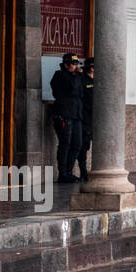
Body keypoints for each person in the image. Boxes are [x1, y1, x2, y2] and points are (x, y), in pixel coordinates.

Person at [49, 53, 84, 183]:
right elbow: (72, 89)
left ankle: (69, 172)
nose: (76, 66)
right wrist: (78, 75)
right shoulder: (60, 75)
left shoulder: (77, 77)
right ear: (66, 65)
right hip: (64, 114)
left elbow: (81, 93)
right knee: (65, 143)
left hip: (76, 114)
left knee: (77, 143)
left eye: (77, 64)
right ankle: (63, 173)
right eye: (74, 64)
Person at [77, 57, 95, 181]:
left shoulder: (101, 80)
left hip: (98, 117)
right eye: (91, 67)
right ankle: (83, 170)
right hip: (85, 117)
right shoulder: (82, 79)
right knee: (84, 145)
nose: (93, 69)